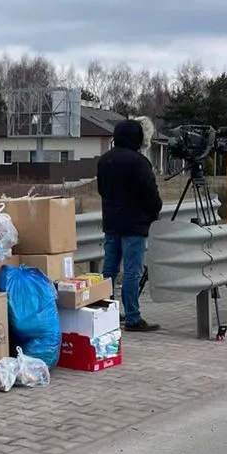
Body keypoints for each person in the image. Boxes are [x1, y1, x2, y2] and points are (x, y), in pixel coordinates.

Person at [97, 118, 163, 332]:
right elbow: (150, 193)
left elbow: (101, 190)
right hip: (134, 224)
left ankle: (105, 310)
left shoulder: (104, 160)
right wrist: (155, 211)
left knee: (109, 269)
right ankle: (133, 317)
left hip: (111, 222)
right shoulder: (138, 162)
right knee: (132, 271)